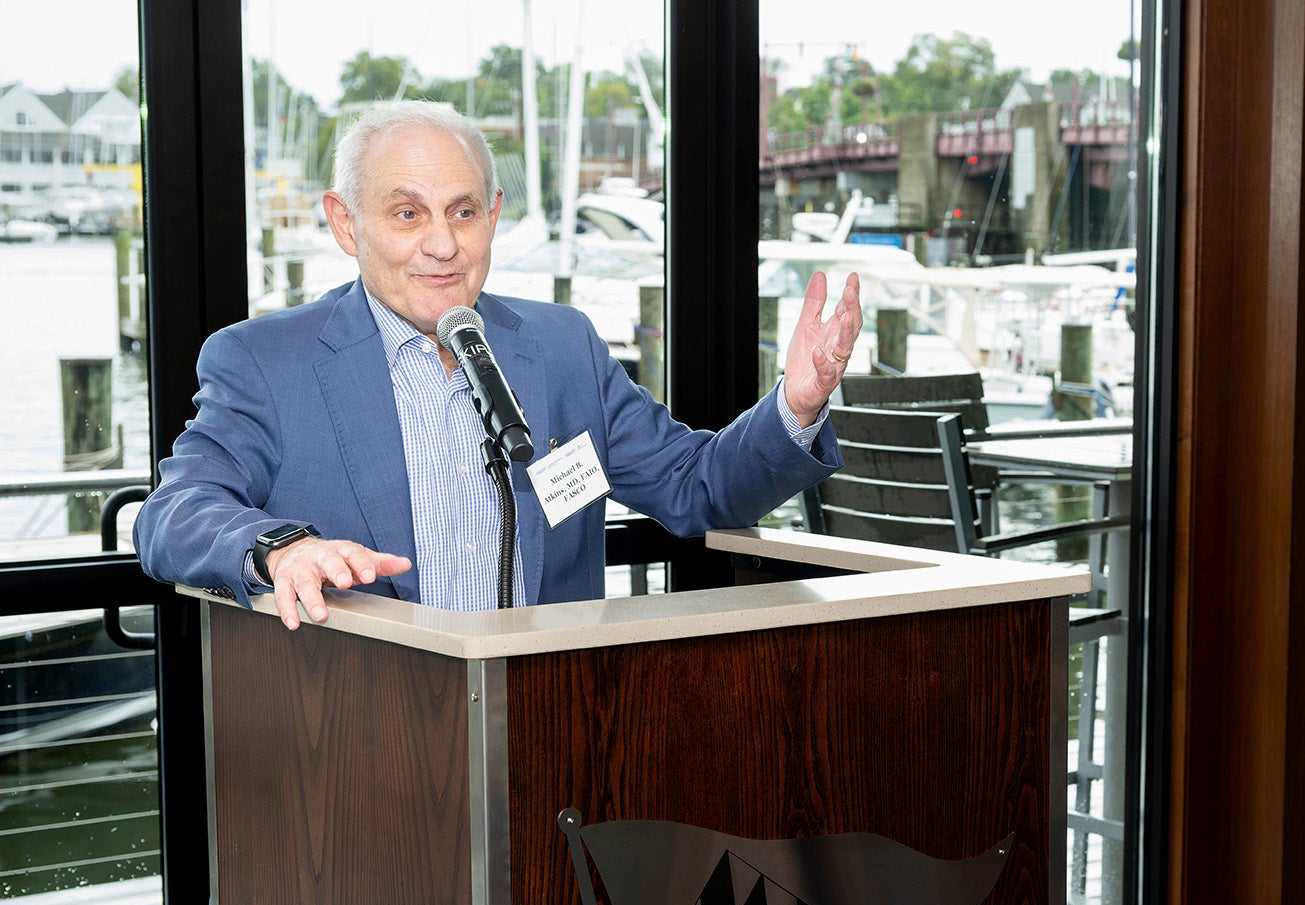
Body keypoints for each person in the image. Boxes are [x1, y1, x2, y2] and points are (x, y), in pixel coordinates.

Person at [135, 102, 860, 629]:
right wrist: (280, 548)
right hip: (363, 752)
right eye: (407, 214)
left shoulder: (562, 347)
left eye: (464, 211)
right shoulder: (266, 361)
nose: (443, 245)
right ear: (345, 223)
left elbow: (697, 487)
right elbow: (171, 517)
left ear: (494, 214)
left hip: (553, 738)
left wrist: (796, 405)